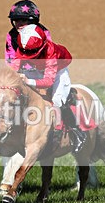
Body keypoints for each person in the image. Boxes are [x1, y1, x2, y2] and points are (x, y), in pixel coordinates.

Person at [7, 23, 87, 154]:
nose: (29, 55)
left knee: (57, 100)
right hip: (37, 70)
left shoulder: (51, 52)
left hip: (57, 73)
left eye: (33, 53)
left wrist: (28, 80)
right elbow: (13, 68)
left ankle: (77, 132)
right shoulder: (23, 47)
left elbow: (48, 81)